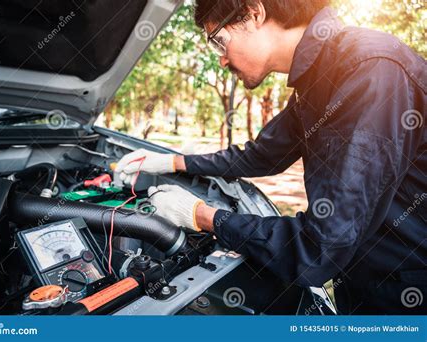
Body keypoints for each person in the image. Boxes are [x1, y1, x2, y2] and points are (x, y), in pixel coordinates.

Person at [115, 0, 426, 314]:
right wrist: (173, 162)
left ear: (253, 13)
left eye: (219, 41)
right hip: (365, 279)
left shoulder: (370, 69)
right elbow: (261, 156)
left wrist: (202, 216)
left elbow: (319, 249)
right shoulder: (317, 83)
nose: (221, 60)